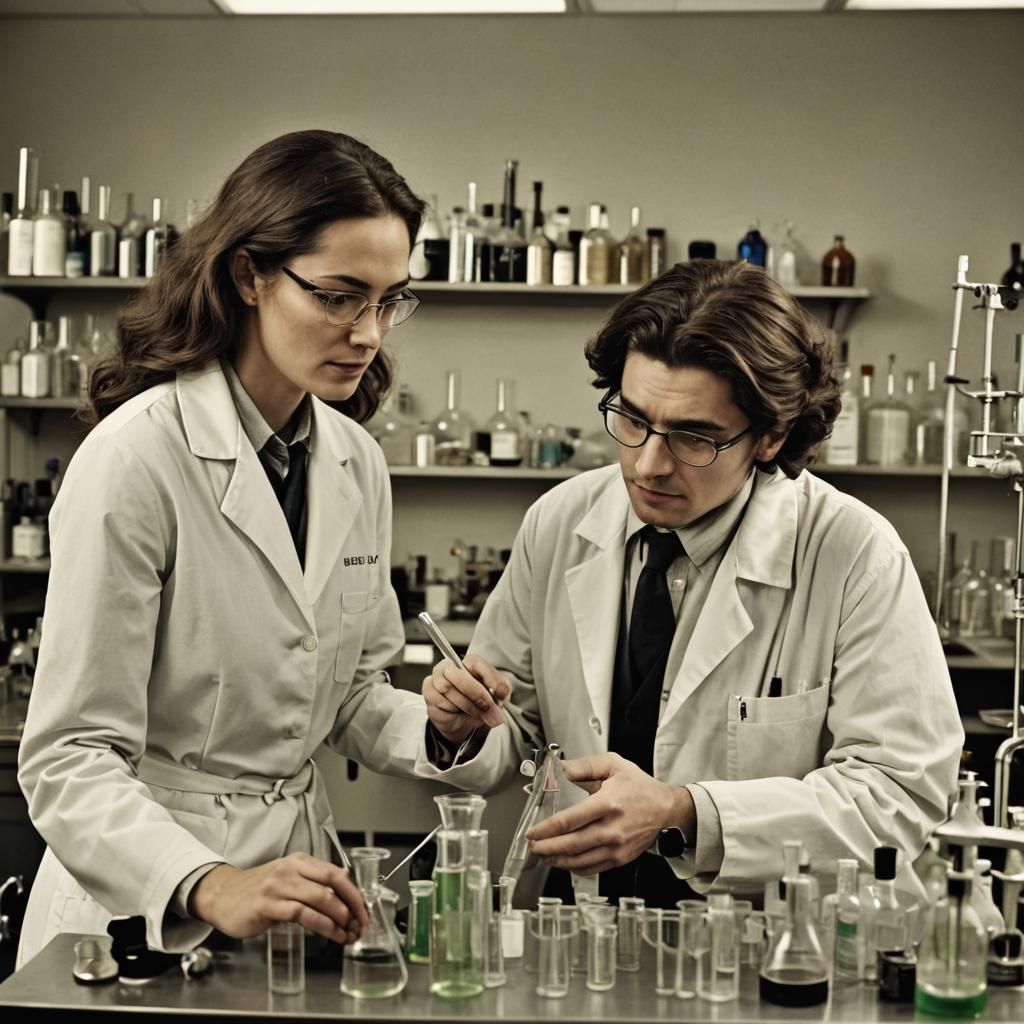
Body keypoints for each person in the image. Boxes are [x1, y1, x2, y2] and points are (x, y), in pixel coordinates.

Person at [418, 259, 964, 906]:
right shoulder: (561, 522)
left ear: (771, 436)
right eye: (632, 418)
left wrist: (685, 813)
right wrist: (463, 729)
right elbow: (517, 729)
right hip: (576, 920)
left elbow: (899, 796)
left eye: (693, 438)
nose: (648, 464)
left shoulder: (853, 555)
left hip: (760, 942)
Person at [16, 130, 434, 967]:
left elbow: (347, 693)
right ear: (250, 275)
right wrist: (208, 881)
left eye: (391, 301)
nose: (369, 333)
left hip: (295, 885)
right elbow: (68, 757)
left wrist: (443, 730)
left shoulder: (356, 462)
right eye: (341, 296)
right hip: (137, 903)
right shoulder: (138, 455)